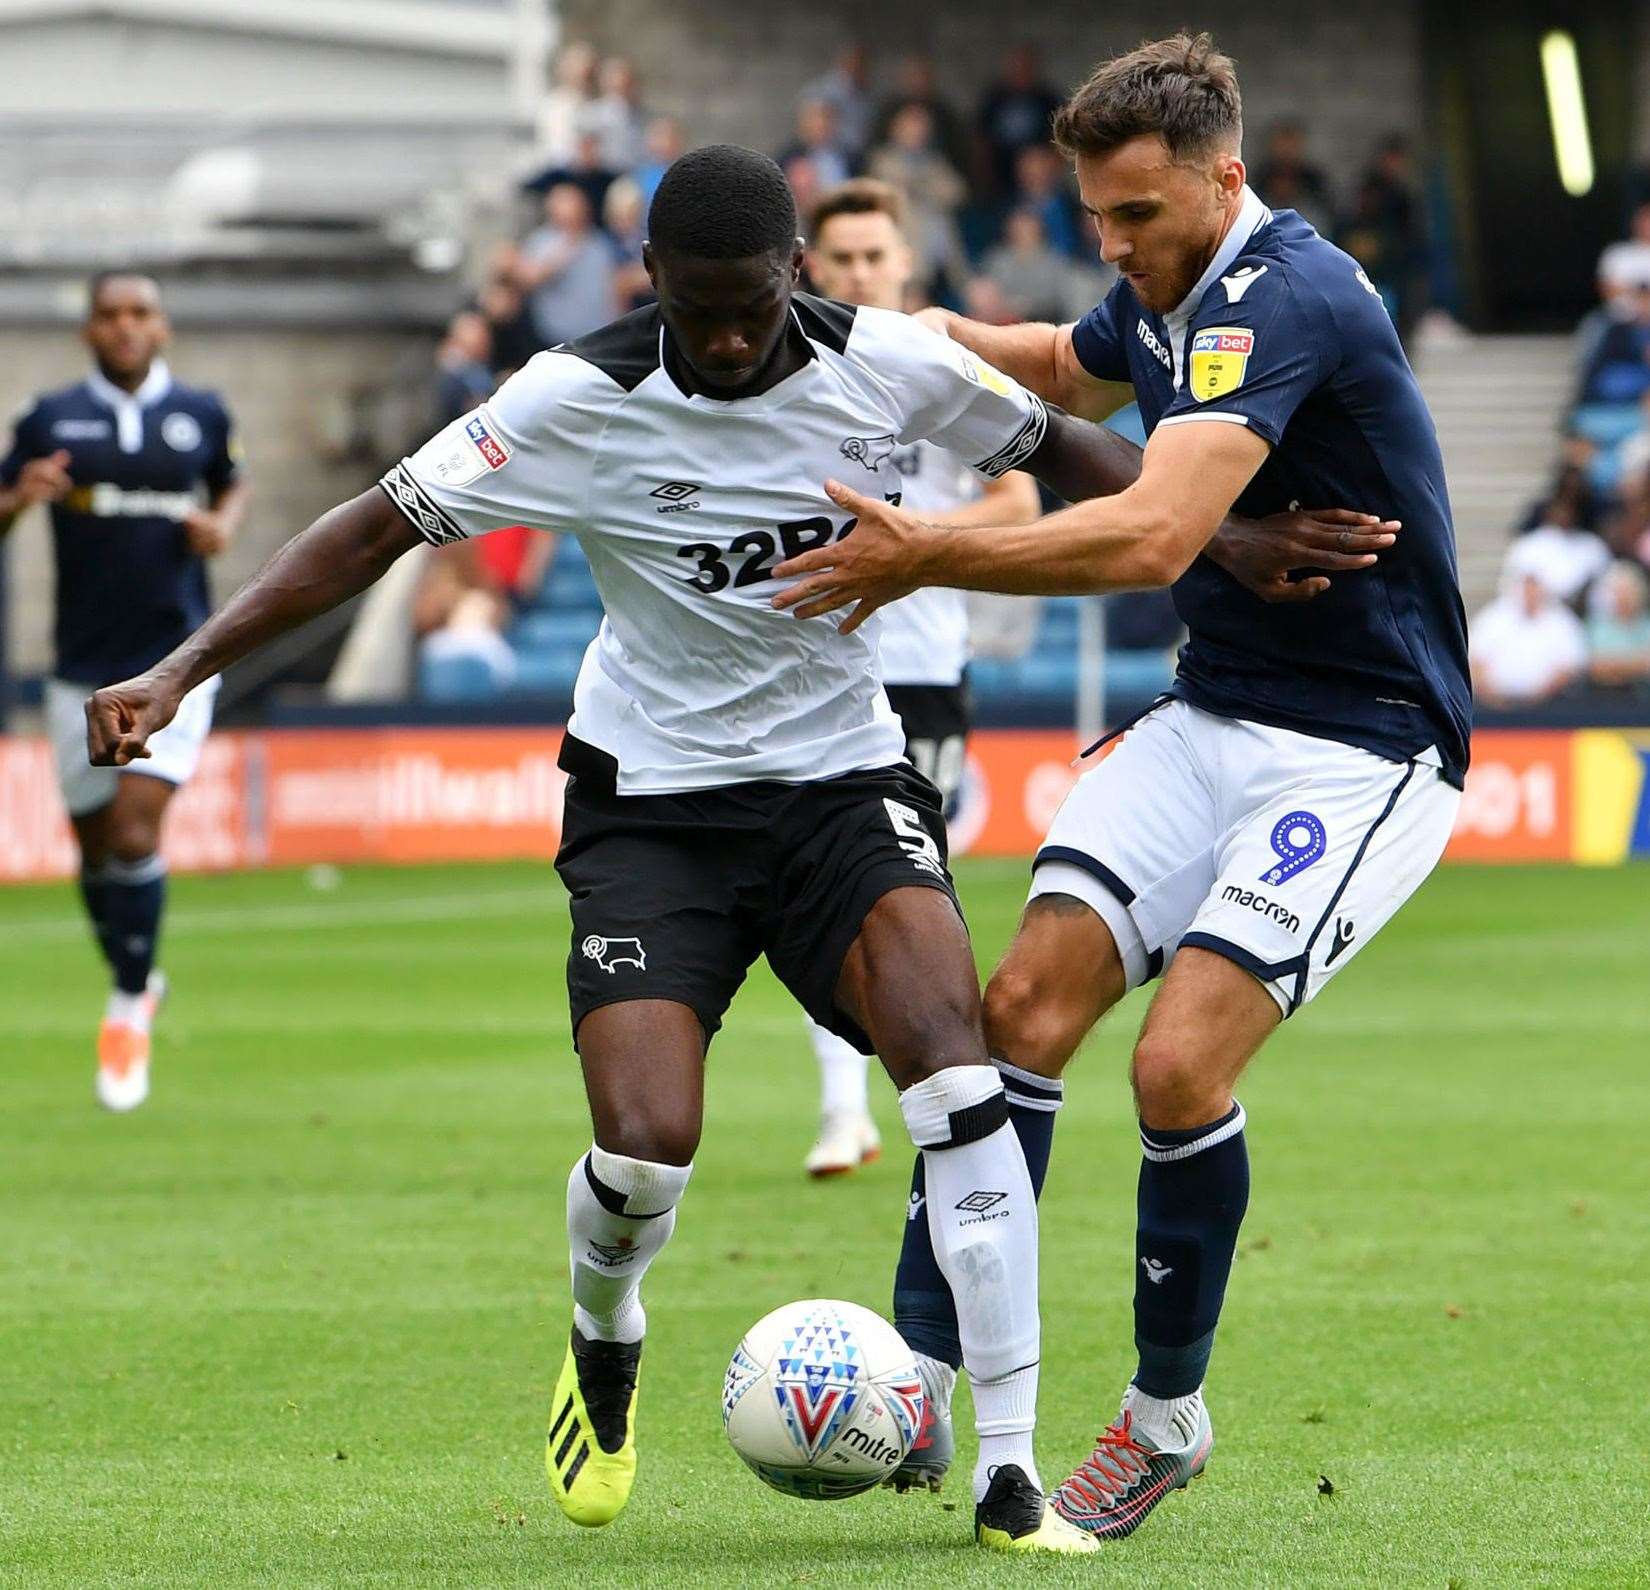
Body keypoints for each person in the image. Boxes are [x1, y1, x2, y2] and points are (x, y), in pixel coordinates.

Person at [85, 143, 1385, 1557]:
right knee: (646, 1151)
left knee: (961, 1076)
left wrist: (1231, 535)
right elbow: (366, 532)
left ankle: (1006, 1468)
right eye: (693, 305)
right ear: (650, 278)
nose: (720, 335)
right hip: (651, 804)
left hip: (839, 783)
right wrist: (185, 666)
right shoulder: (571, 397)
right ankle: (604, 1331)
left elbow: (1066, 453)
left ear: (792, 278)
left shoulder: (892, 365)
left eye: (747, 305)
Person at [770, 34, 1469, 1538]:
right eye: (1095, 214)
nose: (1113, 244)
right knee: (1011, 1016)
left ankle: (1163, 1418)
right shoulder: (1164, 286)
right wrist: (862, 327)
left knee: (1173, 1068)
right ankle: (924, 1366)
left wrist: (926, 548)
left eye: (1138, 215)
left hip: (1361, 744)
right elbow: (1056, 358)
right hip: (1209, 708)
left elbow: (1152, 536)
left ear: (1226, 177)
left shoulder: (1286, 298)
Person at [799, 176, 1041, 1188]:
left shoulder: (941, 372)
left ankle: (929, 1089)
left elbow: (1021, 501)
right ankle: (842, 1109)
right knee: (815, 886)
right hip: (812, 670)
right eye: (841, 258)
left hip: (924, 671)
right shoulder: (791, 374)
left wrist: (919, 541)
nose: (859, 273)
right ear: (811, 266)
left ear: (906, 264)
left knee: (909, 890)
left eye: (874, 257)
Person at [0, 272, 246, 1111]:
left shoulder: (203, 415)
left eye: (140, 312)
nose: (126, 326)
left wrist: (226, 526)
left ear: (162, 326)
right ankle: (137, 973)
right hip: (78, 664)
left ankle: (128, 1003)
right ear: (89, 331)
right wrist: (17, 501)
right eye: (110, 315)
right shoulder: (50, 418)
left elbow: (229, 485)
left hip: (174, 664)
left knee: (137, 829)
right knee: (97, 849)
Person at [1471, 549, 1586, 705]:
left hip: (1549, 709)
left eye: (1535, 584)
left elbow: (1570, 666)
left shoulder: (1562, 621)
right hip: (1494, 708)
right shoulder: (1493, 618)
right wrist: (1494, 699)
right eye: (1526, 584)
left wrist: (1538, 699)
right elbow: (1476, 661)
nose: (1530, 590)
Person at [515, 183, 618, 349]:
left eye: (576, 202)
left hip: (599, 336)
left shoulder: (599, 242)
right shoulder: (541, 242)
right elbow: (528, 279)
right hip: (556, 339)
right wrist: (563, 253)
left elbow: (613, 285)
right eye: (564, 202)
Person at [1586, 559, 1650, 690]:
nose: (1624, 598)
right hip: (1610, 699)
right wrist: (1640, 663)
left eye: (1629, 592)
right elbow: (1598, 669)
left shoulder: (1647, 623)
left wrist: (1619, 663)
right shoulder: (1598, 626)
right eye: (1618, 592)